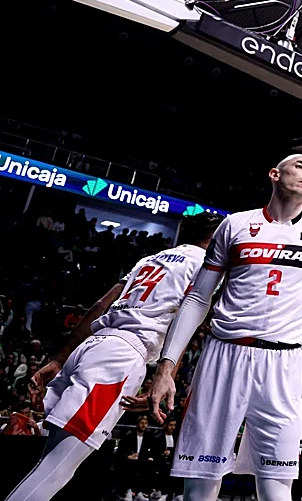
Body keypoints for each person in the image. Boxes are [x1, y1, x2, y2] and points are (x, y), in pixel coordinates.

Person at [145, 154, 302, 501]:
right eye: (300, 165)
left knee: (277, 487)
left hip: (284, 365)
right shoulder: (235, 225)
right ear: (274, 173)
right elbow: (197, 299)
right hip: (225, 355)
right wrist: (166, 368)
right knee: (200, 482)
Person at [6, 212, 222, 501]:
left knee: (49, 461)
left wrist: (59, 359)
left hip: (92, 345)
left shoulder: (150, 259)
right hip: (119, 358)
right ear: (216, 239)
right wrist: (166, 375)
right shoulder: (205, 267)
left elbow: (99, 305)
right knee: (57, 468)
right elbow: (186, 320)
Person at [116, 415, 155, 499]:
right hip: (129, 460)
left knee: (149, 465)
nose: (143, 425)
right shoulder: (129, 435)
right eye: (141, 423)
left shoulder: (149, 437)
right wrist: (128, 456)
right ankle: (128, 491)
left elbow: (150, 451)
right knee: (128, 464)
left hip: (141, 460)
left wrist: (149, 457)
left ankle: (141, 491)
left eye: (145, 423)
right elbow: (121, 451)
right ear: (137, 424)